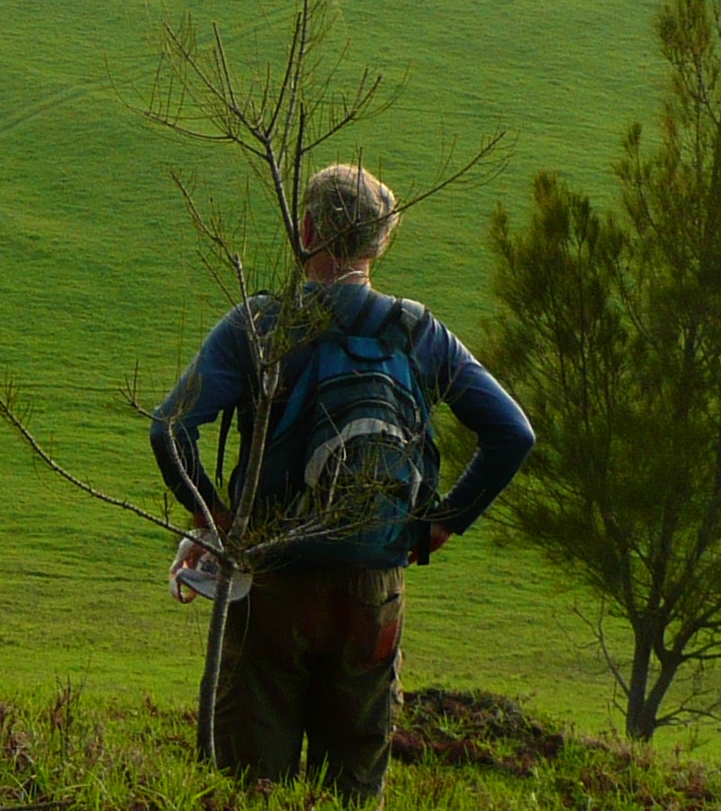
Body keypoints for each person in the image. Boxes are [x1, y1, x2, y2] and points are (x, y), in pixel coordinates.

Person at [149, 164, 535, 802]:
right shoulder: (418, 333)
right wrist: (440, 523)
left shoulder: (262, 326)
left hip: (271, 575)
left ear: (305, 230)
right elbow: (511, 433)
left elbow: (170, 430)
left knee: (252, 784)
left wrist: (214, 521)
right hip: (373, 588)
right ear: (379, 243)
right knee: (351, 786)